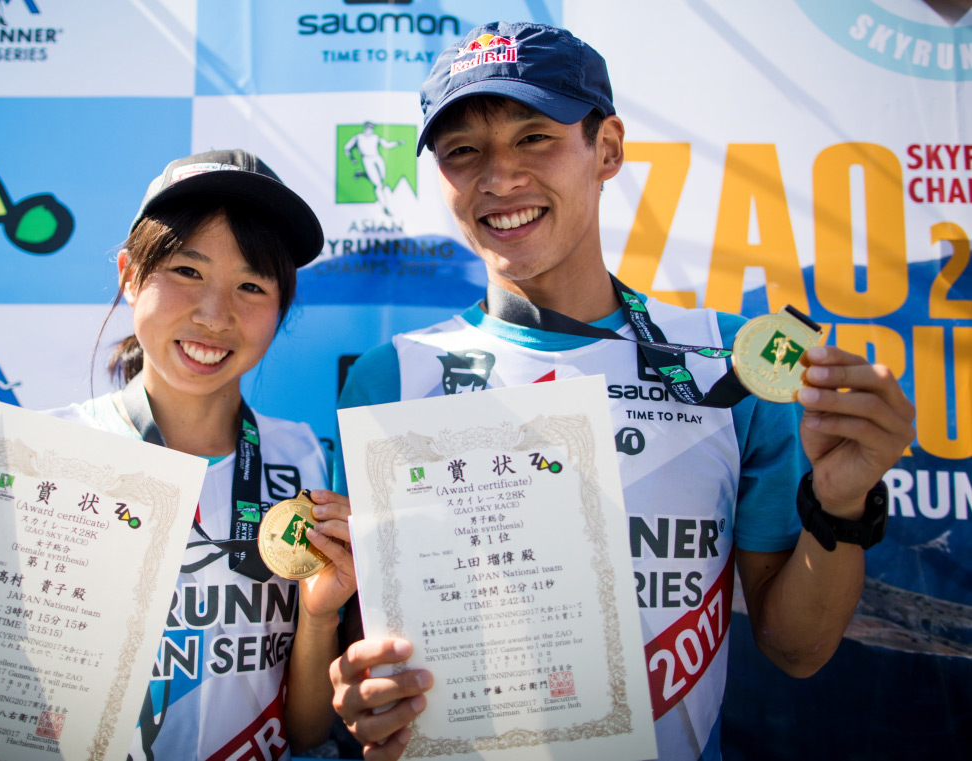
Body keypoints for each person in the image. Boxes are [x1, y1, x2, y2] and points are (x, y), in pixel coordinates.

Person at [327, 22, 916, 761]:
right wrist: (365, 694)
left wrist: (841, 504)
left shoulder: (729, 368)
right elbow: (377, 653)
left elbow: (797, 649)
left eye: (534, 136)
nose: (498, 177)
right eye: (462, 151)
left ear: (606, 149)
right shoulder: (391, 376)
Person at [0, 149, 357, 760]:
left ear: (280, 310)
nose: (214, 314)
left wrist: (321, 617)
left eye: (251, 285)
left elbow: (302, 736)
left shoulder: (301, 460)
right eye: (187, 271)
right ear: (129, 275)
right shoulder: (33, 466)